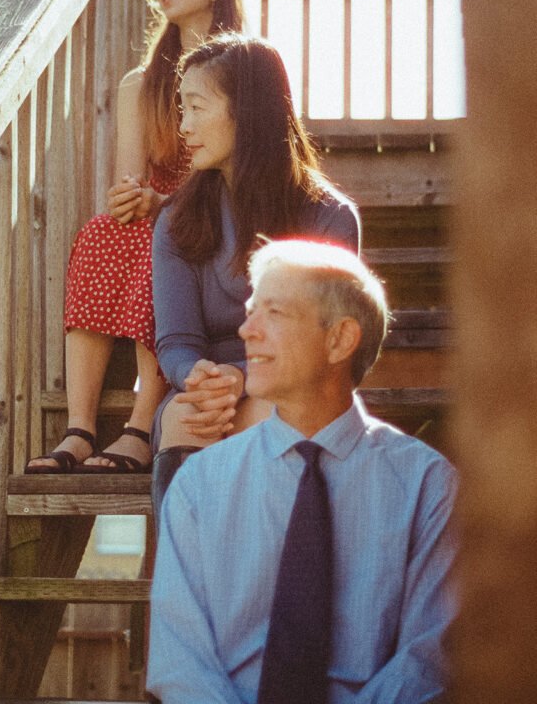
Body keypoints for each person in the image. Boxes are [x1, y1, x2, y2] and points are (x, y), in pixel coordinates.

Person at [147, 239, 458, 704]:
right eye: (251, 311)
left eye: (273, 312)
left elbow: (428, 662)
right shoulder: (198, 485)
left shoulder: (427, 486)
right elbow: (179, 665)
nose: (246, 330)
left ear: (339, 339)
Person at [25, 0, 247, 474]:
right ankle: (79, 428)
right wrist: (130, 197)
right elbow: (130, 178)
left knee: (164, 234)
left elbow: (249, 173)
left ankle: (141, 426)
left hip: (222, 214)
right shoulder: (139, 84)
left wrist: (163, 202)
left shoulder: (247, 71)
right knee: (103, 232)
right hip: (159, 213)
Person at [149, 33, 361, 504]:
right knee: (185, 416)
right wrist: (200, 378)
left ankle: (271, 575)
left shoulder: (327, 215)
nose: (184, 126)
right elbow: (177, 341)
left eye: (197, 107)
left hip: (295, 380)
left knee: (270, 412)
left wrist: (244, 378)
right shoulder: (177, 219)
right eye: (182, 109)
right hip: (207, 385)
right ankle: (186, 579)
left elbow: (319, 342)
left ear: (245, 110)